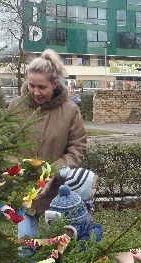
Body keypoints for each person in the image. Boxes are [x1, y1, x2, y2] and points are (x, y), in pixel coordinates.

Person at [8, 49, 87, 242]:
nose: (35, 92)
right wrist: (19, 170)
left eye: (42, 87)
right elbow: (5, 144)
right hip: (25, 194)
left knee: (61, 251)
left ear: (54, 83)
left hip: (59, 194)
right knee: (26, 249)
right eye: (31, 86)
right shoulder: (15, 106)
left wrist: (53, 172)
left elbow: (78, 147)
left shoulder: (70, 111)